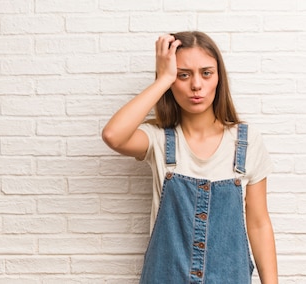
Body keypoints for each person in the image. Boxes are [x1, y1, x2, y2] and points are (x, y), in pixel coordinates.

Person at [101, 31, 278, 283]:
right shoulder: (158, 139)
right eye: (183, 75)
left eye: (206, 73)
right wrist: (163, 79)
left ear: (219, 78)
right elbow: (113, 135)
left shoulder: (246, 142)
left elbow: (259, 223)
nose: (196, 85)